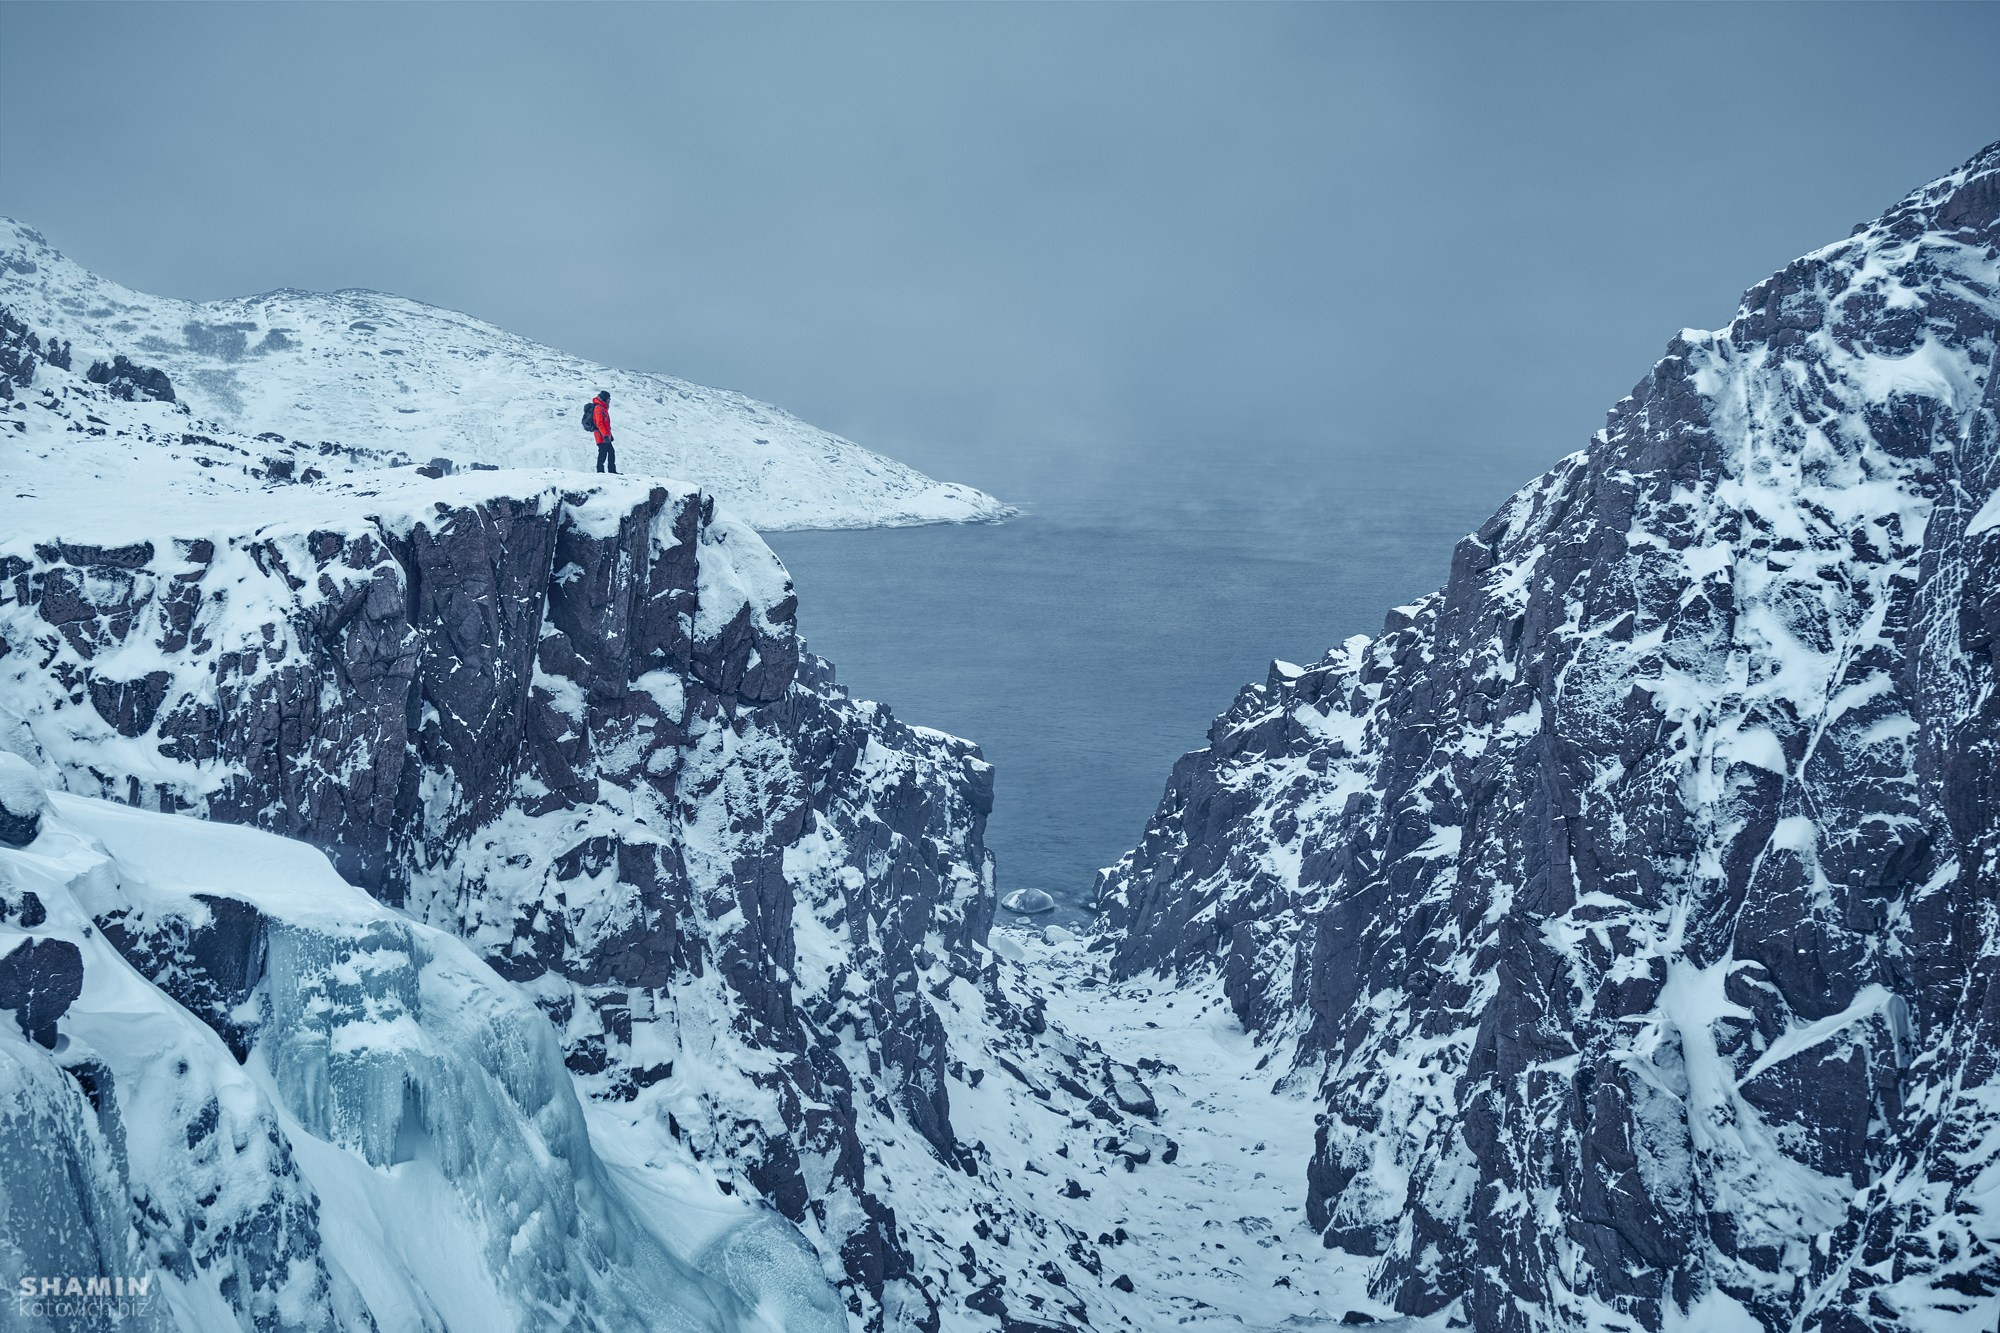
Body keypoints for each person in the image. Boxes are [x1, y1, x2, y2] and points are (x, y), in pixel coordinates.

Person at [590, 390, 616, 473]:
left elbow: (606, 425)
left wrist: (610, 436)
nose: (609, 401)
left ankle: (611, 471)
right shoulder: (599, 408)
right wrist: (605, 436)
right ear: (605, 398)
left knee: (610, 451)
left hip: (605, 436)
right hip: (600, 435)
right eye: (608, 399)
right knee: (603, 452)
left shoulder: (603, 408)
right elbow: (599, 424)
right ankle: (600, 471)